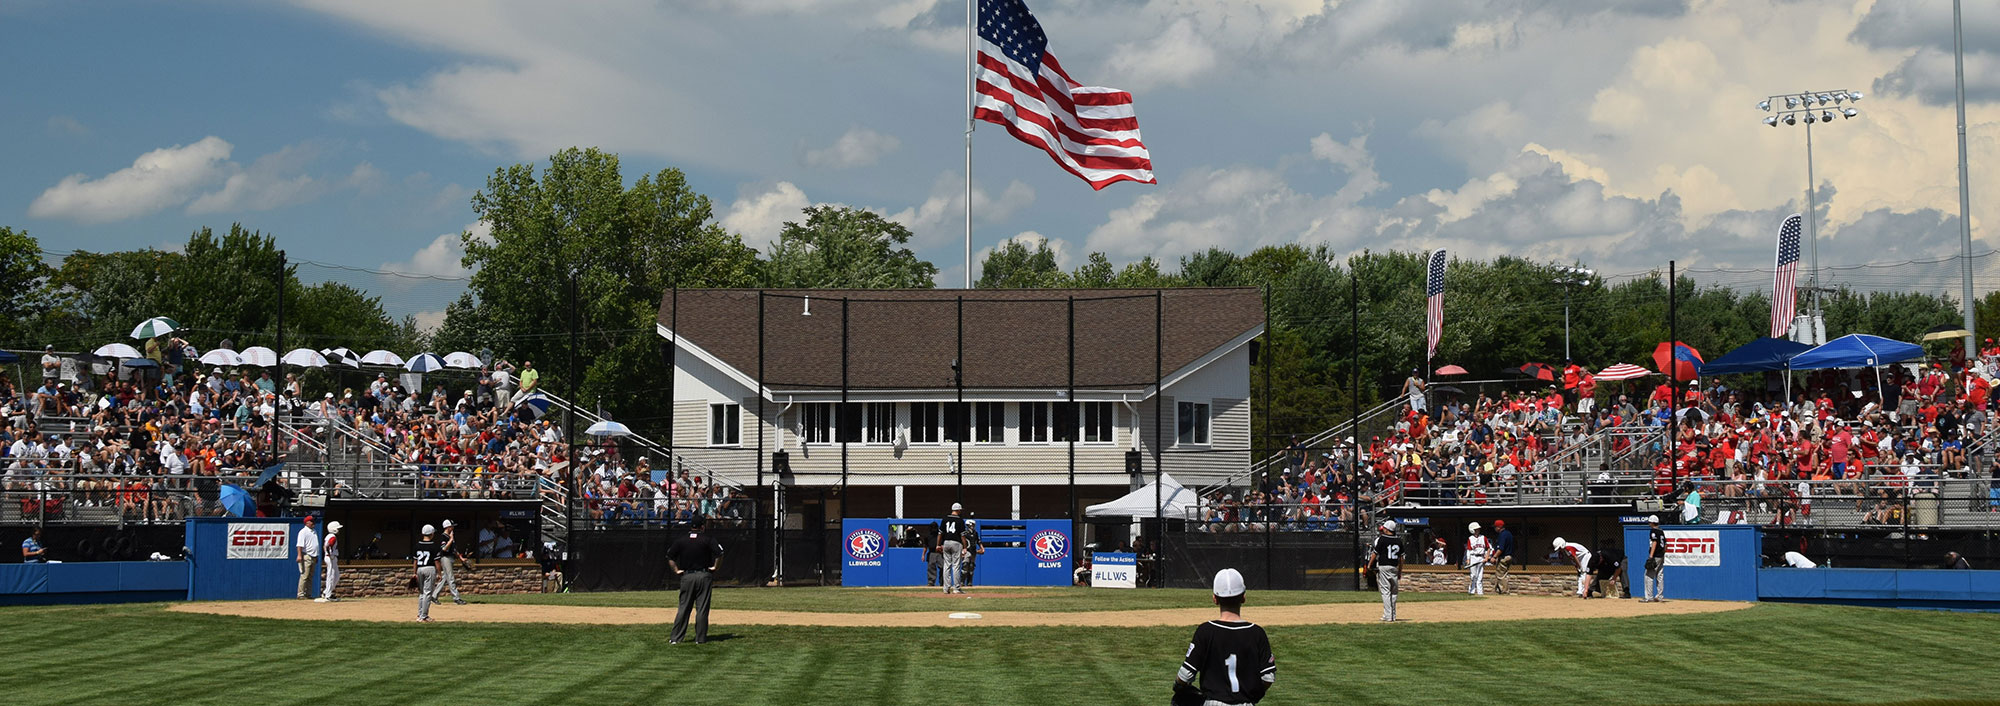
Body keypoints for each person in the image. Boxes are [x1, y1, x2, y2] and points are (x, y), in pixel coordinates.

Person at [1172, 568, 1276, 706]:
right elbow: (1268, 677)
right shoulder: (1257, 633)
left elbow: (1186, 675)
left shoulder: (1205, 631)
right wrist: (1252, 697)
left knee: (1179, 701)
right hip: (1245, 704)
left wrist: (1178, 687)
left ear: (1215, 599)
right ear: (1243, 597)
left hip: (1213, 703)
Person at [665, 515, 723, 644]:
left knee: (684, 607)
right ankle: (700, 639)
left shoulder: (681, 540)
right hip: (704, 575)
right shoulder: (707, 539)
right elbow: (720, 554)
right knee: (702, 609)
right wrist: (715, 567)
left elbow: (669, 556)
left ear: (691, 526)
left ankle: (676, 638)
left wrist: (676, 570)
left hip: (687, 576)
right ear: (702, 526)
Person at [1361, 520, 1403, 622]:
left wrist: (1369, 564)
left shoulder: (1382, 539)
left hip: (1384, 566)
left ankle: (1388, 616)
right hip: (1394, 567)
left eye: (1384, 528)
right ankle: (1392, 615)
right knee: (1394, 592)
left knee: (1385, 591)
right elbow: (1401, 558)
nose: (1383, 529)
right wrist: (1400, 571)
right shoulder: (1398, 540)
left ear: (1387, 529)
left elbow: (1375, 553)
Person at [429, 519, 467, 605]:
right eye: (451, 526)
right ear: (447, 527)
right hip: (445, 558)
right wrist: (451, 539)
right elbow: (444, 548)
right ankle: (456, 598)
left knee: (445, 577)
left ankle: (434, 596)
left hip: (451, 557)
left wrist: (461, 558)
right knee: (451, 578)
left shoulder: (450, 536)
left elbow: (454, 549)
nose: (453, 527)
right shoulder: (444, 537)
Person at [938, 502, 968, 594]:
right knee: (956, 566)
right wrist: (965, 546)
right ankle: (956, 588)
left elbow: (940, 533)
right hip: (956, 543)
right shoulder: (960, 520)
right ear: (958, 510)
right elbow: (962, 535)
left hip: (946, 542)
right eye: (960, 510)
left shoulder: (945, 519)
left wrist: (938, 544)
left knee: (947, 566)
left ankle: (946, 589)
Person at [415, 524, 440, 622]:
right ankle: (424, 616)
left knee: (421, 593)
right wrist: (439, 573)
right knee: (428, 593)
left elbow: (415, 561)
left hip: (419, 569)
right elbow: (437, 561)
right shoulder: (434, 546)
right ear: (432, 534)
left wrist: (414, 572)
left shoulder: (417, 545)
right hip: (429, 568)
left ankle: (420, 614)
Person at [1641, 515, 1667, 602]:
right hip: (1661, 556)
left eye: (1649, 522)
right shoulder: (1661, 531)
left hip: (1655, 556)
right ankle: (1660, 596)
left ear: (1652, 522)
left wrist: (1651, 556)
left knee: (1648, 575)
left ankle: (1649, 597)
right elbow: (1665, 545)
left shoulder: (1654, 531)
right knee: (1660, 576)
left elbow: (1654, 542)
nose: (1649, 524)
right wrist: (1662, 554)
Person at [295, 516, 320, 599]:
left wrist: (316, 556)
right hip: (307, 555)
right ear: (307, 522)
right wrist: (299, 555)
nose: (313, 523)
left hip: (313, 556)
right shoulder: (303, 532)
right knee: (304, 576)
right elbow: (299, 545)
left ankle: (308, 594)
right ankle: (300, 594)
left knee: (310, 576)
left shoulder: (314, 531)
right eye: (312, 521)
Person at [317, 521, 342, 603]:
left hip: (330, 557)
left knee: (336, 575)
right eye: (337, 529)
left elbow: (326, 546)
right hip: (330, 557)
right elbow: (328, 546)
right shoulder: (332, 537)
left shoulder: (329, 536)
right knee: (331, 576)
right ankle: (328, 595)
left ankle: (327, 592)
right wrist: (329, 554)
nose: (338, 530)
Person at [1463, 522, 1490, 595]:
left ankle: (1480, 593)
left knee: (1480, 576)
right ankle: (1471, 591)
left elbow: (1488, 548)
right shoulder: (1470, 539)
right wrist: (1468, 559)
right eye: (1476, 529)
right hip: (1473, 557)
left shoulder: (1483, 537)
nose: (1478, 530)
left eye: (1478, 529)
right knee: (1473, 575)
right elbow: (1469, 550)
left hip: (1481, 557)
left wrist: (1486, 557)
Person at [1491, 520, 1516, 594]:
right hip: (1509, 556)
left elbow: (1501, 549)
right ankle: (1499, 590)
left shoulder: (1503, 535)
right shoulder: (1509, 534)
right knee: (1502, 574)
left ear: (1499, 527)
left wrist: (1494, 557)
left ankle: (1504, 591)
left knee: (1501, 575)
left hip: (1504, 557)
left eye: (1495, 527)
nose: (1495, 528)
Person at [960, 511, 983, 588]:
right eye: (972, 525)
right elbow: (962, 542)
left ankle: (970, 582)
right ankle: (962, 581)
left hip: (974, 551)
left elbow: (978, 541)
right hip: (967, 551)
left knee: (972, 566)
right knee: (965, 565)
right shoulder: (965, 533)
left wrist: (982, 548)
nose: (973, 526)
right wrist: (963, 550)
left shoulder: (975, 533)